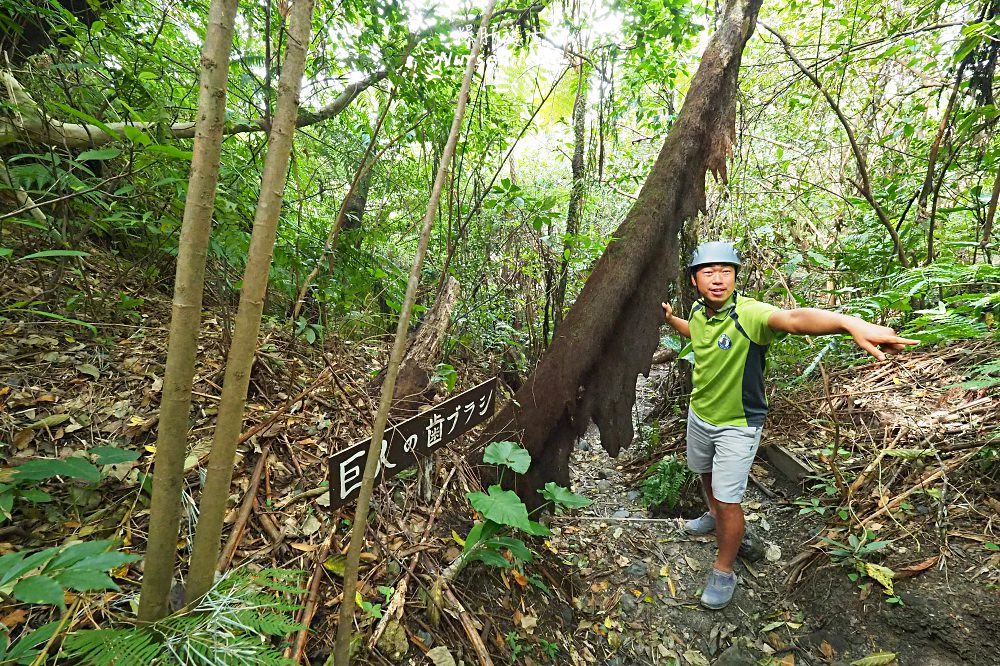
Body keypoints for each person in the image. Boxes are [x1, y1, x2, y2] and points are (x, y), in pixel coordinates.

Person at [660, 241, 918, 609]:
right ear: (694, 280)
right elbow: (696, 334)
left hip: (738, 424)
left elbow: (794, 320)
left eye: (726, 272)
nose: (718, 280)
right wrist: (672, 320)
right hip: (700, 414)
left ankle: (724, 568)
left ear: (735, 277)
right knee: (704, 474)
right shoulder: (700, 313)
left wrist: (847, 323)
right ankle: (712, 514)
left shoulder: (749, 314)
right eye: (708, 273)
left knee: (730, 499)